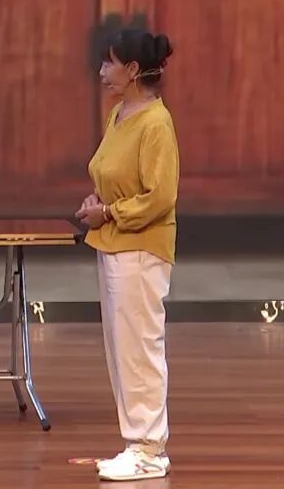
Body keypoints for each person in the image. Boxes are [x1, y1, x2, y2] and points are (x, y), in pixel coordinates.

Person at [74, 27, 180, 482]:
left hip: (140, 249)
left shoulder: (156, 123)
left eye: (109, 63)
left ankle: (149, 449)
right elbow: (111, 174)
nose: (101, 71)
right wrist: (97, 202)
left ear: (133, 69)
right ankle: (136, 443)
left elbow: (160, 196)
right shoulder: (119, 113)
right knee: (121, 349)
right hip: (113, 243)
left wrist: (110, 212)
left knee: (139, 348)